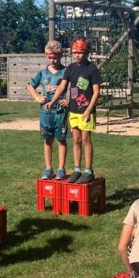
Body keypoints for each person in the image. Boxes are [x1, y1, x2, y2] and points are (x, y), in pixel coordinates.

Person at [45, 37, 101, 184]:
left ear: (87, 52)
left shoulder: (92, 69)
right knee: (76, 140)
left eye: (80, 52)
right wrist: (52, 101)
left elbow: (96, 92)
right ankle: (77, 169)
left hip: (86, 111)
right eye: (75, 52)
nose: (77, 55)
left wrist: (89, 109)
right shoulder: (70, 69)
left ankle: (88, 170)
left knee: (86, 139)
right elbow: (62, 87)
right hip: (73, 110)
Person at [27, 40, 69, 179]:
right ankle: (48, 168)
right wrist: (37, 97)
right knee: (47, 140)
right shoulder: (42, 73)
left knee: (61, 140)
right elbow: (30, 86)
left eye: (55, 57)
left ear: (61, 55)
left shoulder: (66, 72)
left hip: (60, 112)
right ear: (46, 56)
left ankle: (61, 168)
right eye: (50, 57)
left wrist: (68, 99)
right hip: (46, 112)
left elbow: (75, 87)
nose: (53, 60)